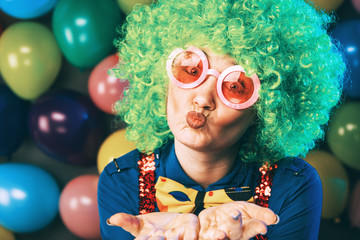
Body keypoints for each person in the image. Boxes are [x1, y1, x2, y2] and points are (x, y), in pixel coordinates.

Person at [97, 0, 345, 239]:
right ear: (164, 81)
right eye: (192, 71)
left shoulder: (291, 187)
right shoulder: (121, 181)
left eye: (236, 86)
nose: (203, 98)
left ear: (265, 109)